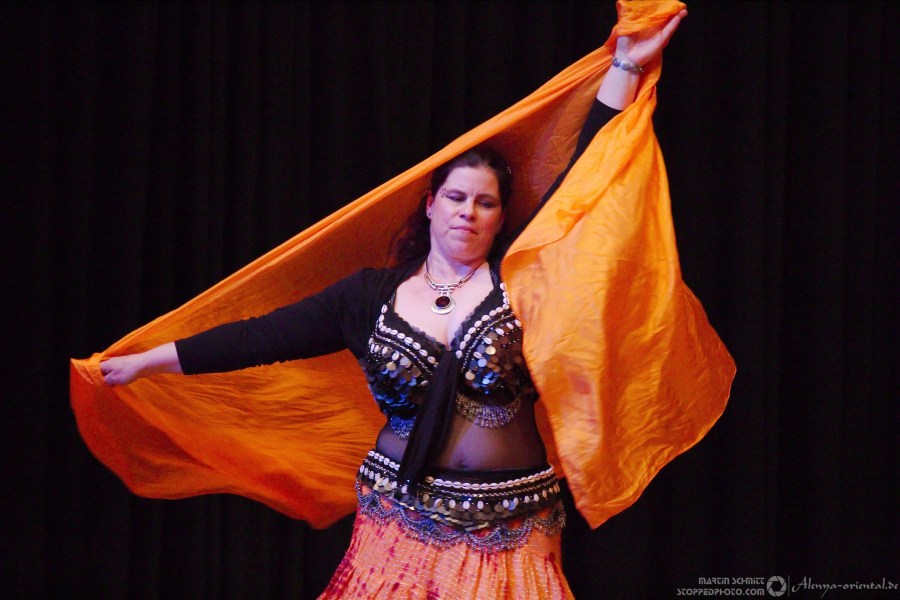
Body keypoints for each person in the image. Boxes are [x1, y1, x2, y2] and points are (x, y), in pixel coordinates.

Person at [97, 8, 693, 599]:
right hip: (397, 521)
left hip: (513, 523)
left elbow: (584, 181)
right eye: (456, 197)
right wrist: (147, 361)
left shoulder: (526, 276)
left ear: (499, 217)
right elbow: (258, 337)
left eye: (485, 203)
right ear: (430, 205)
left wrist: (624, 67)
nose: (468, 212)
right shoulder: (367, 297)